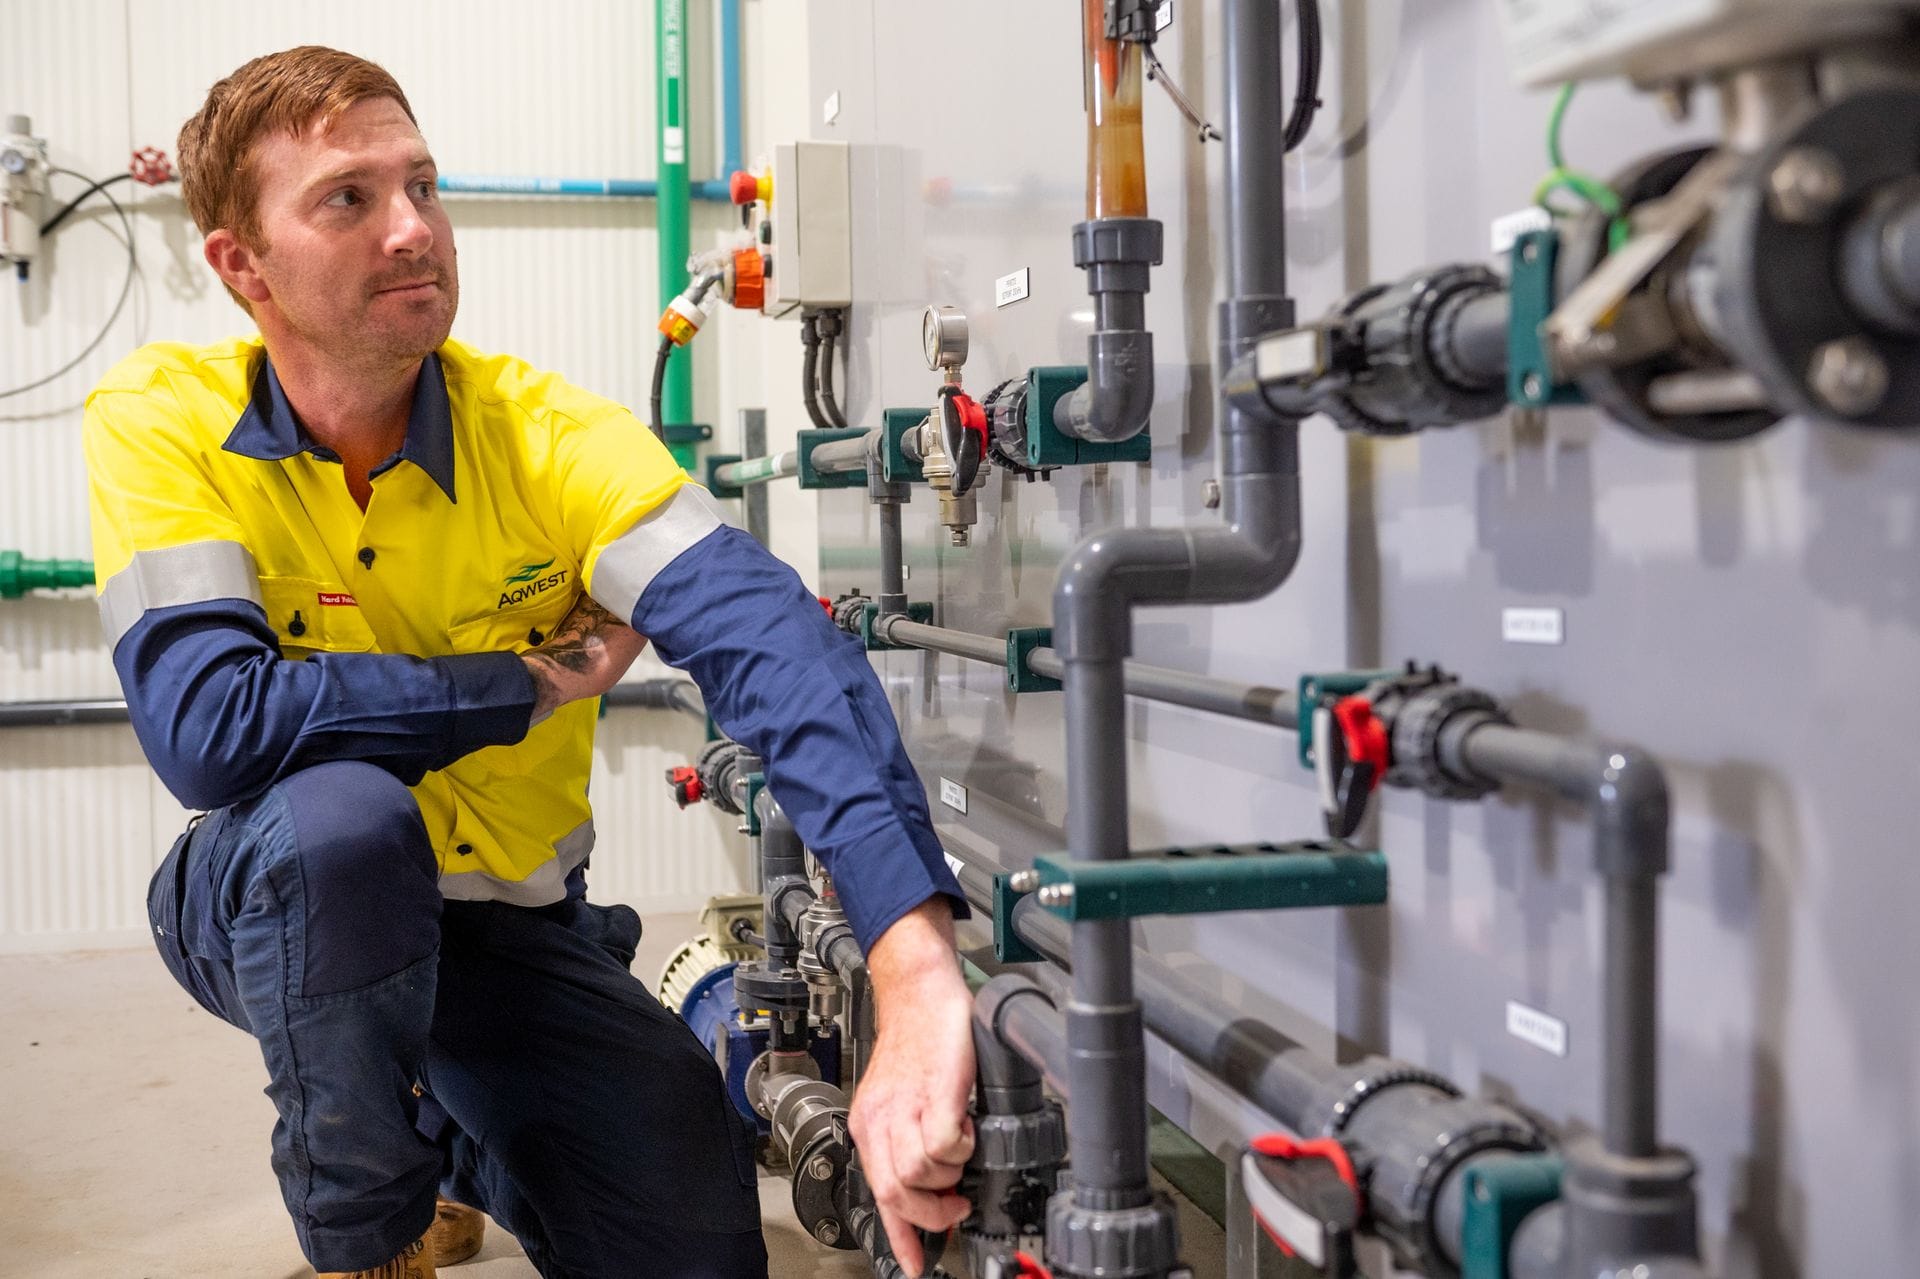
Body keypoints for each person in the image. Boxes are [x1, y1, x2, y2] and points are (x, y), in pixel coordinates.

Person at [83, 45, 975, 1279]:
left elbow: (771, 636)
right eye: (349, 197)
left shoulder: (550, 437)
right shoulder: (163, 421)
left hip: (506, 932)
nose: (415, 229)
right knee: (343, 827)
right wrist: (518, 684)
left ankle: (445, 1131)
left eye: (425, 184)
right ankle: (372, 1229)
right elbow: (213, 732)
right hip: (270, 898)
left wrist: (910, 955)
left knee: (696, 1252)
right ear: (243, 265)